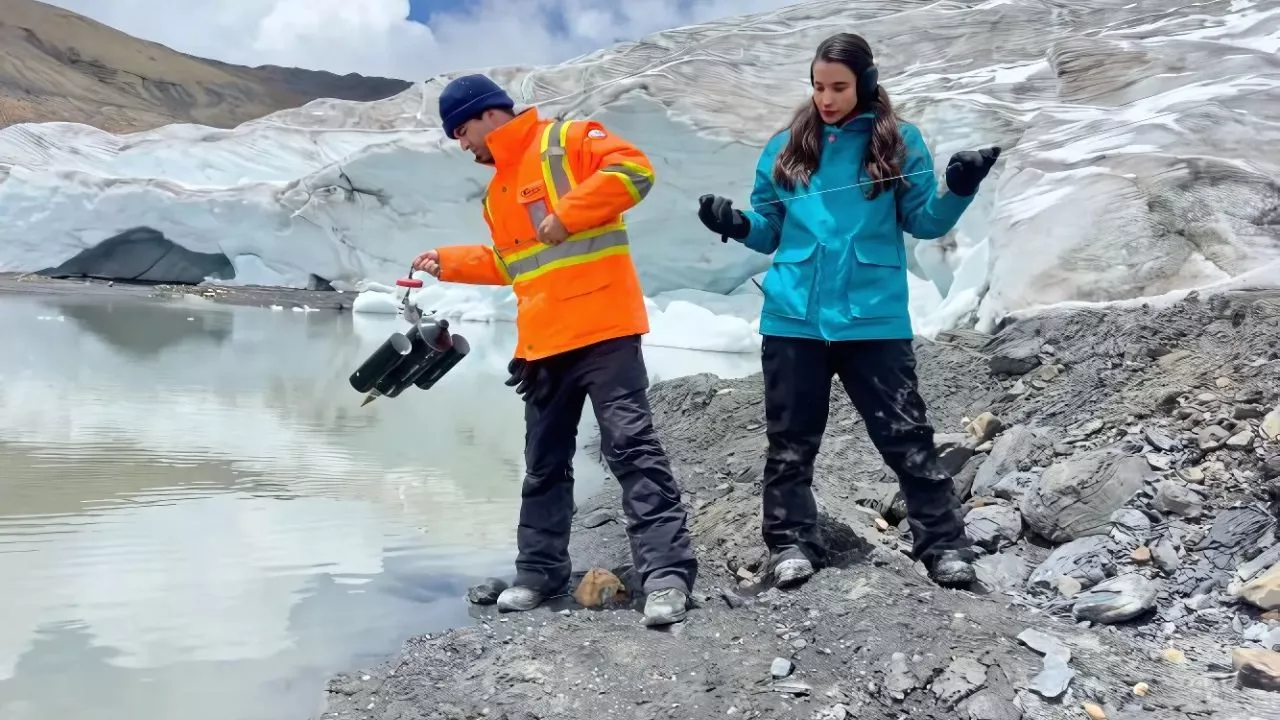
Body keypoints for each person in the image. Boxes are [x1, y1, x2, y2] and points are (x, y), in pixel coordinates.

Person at [694, 32, 1000, 589]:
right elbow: (768, 231)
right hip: (793, 319)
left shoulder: (899, 141)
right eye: (818, 86)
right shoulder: (786, 146)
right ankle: (789, 544)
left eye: (838, 86)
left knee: (907, 438)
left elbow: (926, 221)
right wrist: (734, 222)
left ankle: (945, 547)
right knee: (790, 442)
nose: (826, 98)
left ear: (867, 83)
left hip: (873, 319)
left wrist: (959, 185)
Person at [411, 73, 699, 626]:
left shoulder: (565, 141)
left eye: (461, 130)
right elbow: (514, 262)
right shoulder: (498, 192)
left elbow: (635, 171)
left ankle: (665, 576)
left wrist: (569, 214)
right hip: (544, 342)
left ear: (486, 115)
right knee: (544, 466)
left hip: (605, 329)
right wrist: (449, 261)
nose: (461, 144)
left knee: (632, 452)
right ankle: (539, 573)